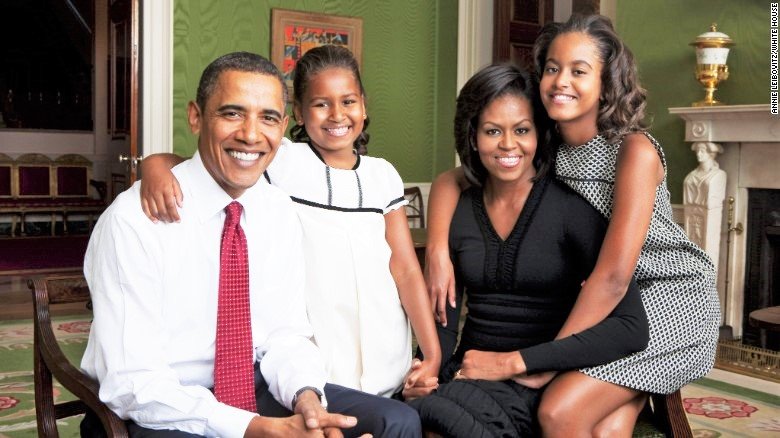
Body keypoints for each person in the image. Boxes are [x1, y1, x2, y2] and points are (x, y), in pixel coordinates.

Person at [80, 51, 420, 438]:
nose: (251, 134)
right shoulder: (135, 219)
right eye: (232, 113)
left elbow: (286, 335)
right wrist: (256, 429)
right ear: (196, 116)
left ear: (284, 125)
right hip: (159, 404)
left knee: (398, 421)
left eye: (268, 118)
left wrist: (306, 397)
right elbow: (133, 383)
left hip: (251, 384)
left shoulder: (276, 209)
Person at [425, 14, 720, 436]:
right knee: (606, 428)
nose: (561, 80)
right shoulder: (551, 144)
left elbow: (615, 276)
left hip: (669, 300)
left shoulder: (633, 151)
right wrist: (438, 248)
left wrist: (542, 359)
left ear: (607, 82)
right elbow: (453, 179)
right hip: (611, 303)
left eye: (579, 71)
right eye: (551, 68)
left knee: (558, 411)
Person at [405, 62, 649, 437]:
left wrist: (522, 363)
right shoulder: (459, 208)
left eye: (521, 130)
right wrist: (426, 369)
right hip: (471, 371)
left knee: (437, 421)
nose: (507, 145)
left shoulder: (572, 208)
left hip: (538, 381)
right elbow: (445, 319)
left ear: (539, 134)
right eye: (491, 131)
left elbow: (631, 328)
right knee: (413, 411)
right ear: (472, 137)